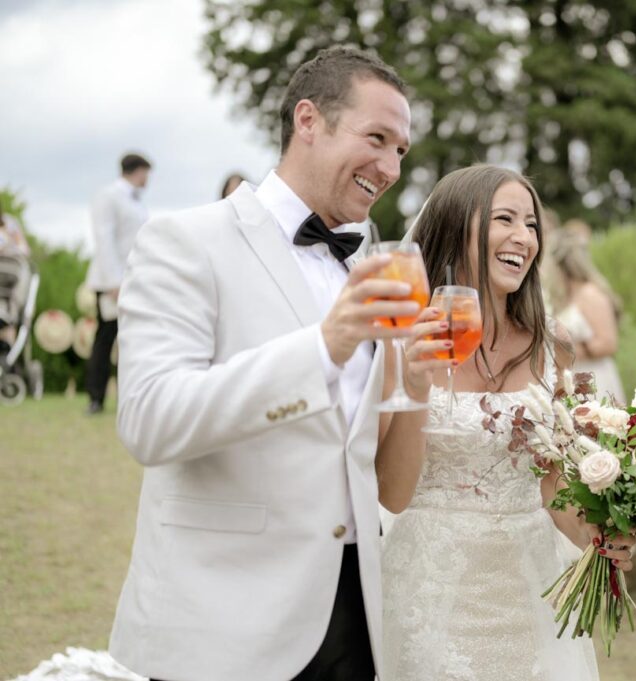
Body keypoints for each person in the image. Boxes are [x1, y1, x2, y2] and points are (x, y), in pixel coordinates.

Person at [108, 46, 443, 681]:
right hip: (224, 627)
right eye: (378, 137)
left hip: (353, 619)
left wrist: (415, 382)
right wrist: (324, 346)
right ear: (308, 120)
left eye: (402, 149)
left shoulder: (370, 264)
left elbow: (379, 478)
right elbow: (150, 422)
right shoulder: (185, 242)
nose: (393, 166)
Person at [379, 164, 636, 680]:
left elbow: (551, 483)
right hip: (432, 589)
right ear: (457, 228)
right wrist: (416, 380)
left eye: (532, 224)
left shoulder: (553, 345)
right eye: (505, 219)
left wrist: (599, 534)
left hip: (530, 587)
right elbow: (391, 494)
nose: (525, 237)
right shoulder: (404, 338)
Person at [83, 152, 151, 415]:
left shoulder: (136, 202)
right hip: (110, 282)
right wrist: (114, 281)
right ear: (138, 170)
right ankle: (96, 397)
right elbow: (104, 238)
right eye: (146, 173)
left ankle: (130, 395)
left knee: (131, 339)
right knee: (105, 339)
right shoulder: (108, 196)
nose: (148, 179)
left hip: (132, 279)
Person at [541, 227, 626, 404]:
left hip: (596, 378)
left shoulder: (591, 294)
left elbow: (609, 342)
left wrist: (571, 350)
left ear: (560, 266)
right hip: (570, 379)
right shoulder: (565, 298)